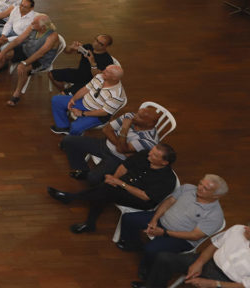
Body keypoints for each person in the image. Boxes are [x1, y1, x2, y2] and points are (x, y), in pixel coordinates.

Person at [47, 144, 178, 235]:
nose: (149, 154)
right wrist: (114, 179)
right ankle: (89, 223)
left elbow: (145, 196)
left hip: (140, 200)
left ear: (164, 162)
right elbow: (124, 166)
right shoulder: (145, 155)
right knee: (106, 189)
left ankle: (71, 198)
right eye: (152, 151)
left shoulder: (168, 180)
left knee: (107, 190)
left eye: (154, 155)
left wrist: (119, 183)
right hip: (123, 185)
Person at [119, 175, 227, 281]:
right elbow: (169, 202)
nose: (199, 188)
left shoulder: (215, 216)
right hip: (161, 221)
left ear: (215, 196)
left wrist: (164, 233)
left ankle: (147, 275)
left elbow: (194, 236)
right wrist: (154, 219)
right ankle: (133, 244)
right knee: (128, 218)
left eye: (205, 188)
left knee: (151, 249)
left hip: (181, 238)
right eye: (200, 183)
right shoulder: (188, 188)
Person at [60, 104, 162, 184]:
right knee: (68, 140)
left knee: (92, 179)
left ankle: (90, 175)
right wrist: (120, 145)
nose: (134, 117)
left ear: (149, 124)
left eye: (139, 117)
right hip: (103, 143)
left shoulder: (149, 141)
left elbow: (121, 151)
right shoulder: (130, 115)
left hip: (117, 158)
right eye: (137, 113)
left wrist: (124, 129)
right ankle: (82, 169)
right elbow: (106, 129)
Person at [0, 13, 60, 107]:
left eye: (34, 23)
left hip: (40, 60)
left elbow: (40, 53)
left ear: (42, 27)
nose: (32, 23)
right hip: (27, 51)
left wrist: (25, 63)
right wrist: (3, 51)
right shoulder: (33, 27)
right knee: (5, 54)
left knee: (22, 69)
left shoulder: (52, 36)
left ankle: (16, 94)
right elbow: (18, 40)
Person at [140, 222, 250, 288]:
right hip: (209, 262)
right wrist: (199, 263)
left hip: (229, 283)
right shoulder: (238, 229)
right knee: (164, 258)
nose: (245, 228)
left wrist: (214, 284)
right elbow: (214, 245)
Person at [50, 65, 127, 134]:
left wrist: (82, 113)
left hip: (97, 114)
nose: (103, 71)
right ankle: (63, 127)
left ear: (114, 78)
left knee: (75, 127)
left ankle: (73, 139)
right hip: (83, 102)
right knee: (56, 100)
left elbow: (104, 112)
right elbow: (85, 89)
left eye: (107, 72)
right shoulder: (100, 76)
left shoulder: (118, 96)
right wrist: (73, 99)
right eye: (105, 69)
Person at [50, 34, 116, 94]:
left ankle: (68, 93)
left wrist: (92, 63)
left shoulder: (107, 60)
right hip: (79, 74)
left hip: (89, 82)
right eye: (96, 40)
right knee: (51, 74)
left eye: (100, 44)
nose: (96, 43)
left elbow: (99, 78)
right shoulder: (88, 47)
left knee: (62, 96)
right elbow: (67, 51)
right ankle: (66, 92)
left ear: (107, 46)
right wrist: (72, 47)